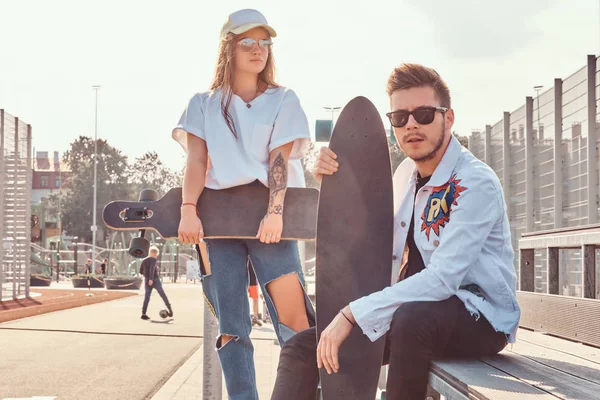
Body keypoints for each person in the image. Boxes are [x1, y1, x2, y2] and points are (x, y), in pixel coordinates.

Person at [271, 63, 521, 400]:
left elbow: (443, 279)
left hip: (481, 317)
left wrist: (353, 313)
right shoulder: (404, 174)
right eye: (400, 118)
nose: (412, 125)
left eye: (424, 114)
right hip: (413, 314)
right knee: (302, 347)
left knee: (410, 320)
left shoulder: (475, 182)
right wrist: (334, 181)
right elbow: (368, 236)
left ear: (448, 118)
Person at [172, 9, 314, 399]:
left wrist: (275, 212)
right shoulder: (203, 103)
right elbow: (197, 162)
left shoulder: (283, 98)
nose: (257, 50)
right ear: (229, 48)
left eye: (264, 42)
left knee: (295, 319)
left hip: (273, 218)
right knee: (232, 326)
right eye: (247, 42)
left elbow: (280, 160)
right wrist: (188, 209)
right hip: (218, 219)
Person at [140, 246, 173, 320]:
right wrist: (151, 279)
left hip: (146, 279)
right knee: (162, 294)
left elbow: (141, 271)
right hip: (154, 279)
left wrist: (147, 276)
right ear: (154, 253)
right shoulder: (153, 260)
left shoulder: (144, 260)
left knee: (147, 297)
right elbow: (152, 269)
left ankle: (143, 313)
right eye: (156, 254)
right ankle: (170, 310)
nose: (157, 255)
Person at [248, 258, 262, 327]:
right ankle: (243, 317)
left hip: (253, 281)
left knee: (255, 299)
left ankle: (255, 317)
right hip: (244, 279)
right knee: (243, 299)